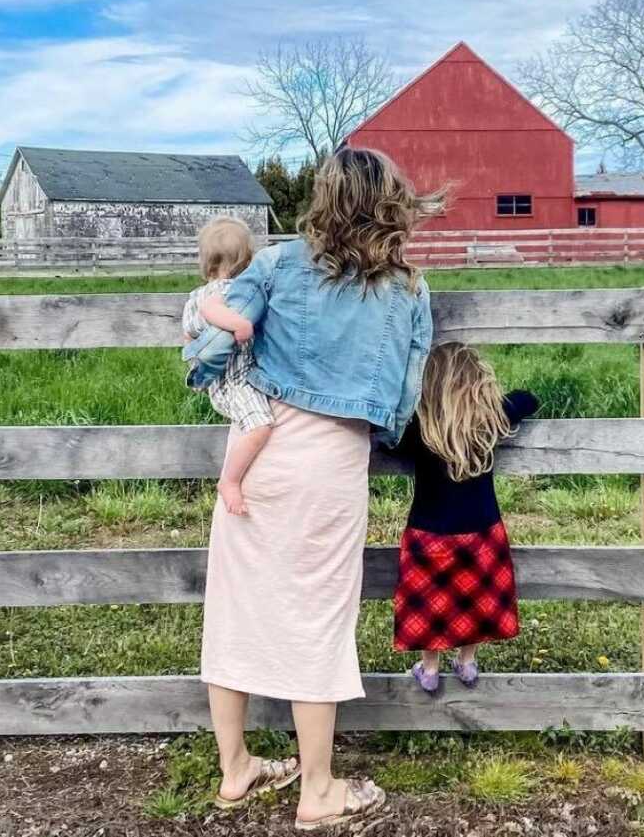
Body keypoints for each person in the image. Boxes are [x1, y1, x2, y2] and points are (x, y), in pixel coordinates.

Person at [190, 147, 441, 830]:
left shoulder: (272, 263)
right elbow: (403, 399)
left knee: (234, 608)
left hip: (260, 443)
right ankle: (319, 787)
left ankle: (235, 765)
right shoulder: (409, 289)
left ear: (323, 198)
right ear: (390, 203)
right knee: (318, 619)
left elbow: (208, 351)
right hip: (330, 461)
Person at [392, 342, 539, 694]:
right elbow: (529, 398)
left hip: (429, 535)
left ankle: (429, 668)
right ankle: (467, 661)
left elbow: (387, 441)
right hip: (482, 534)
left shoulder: (420, 428)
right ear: (478, 384)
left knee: (430, 603)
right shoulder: (491, 418)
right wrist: (492, 402)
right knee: (473, 599)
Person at [182, 217, 272, 515]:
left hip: (226, 379)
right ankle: (230, 481)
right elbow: (212, 310)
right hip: (235, 381)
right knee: (261, 426)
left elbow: (188, 337)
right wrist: (240, 324)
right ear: (246, 258)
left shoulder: (194, 296)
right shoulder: (226, 289)